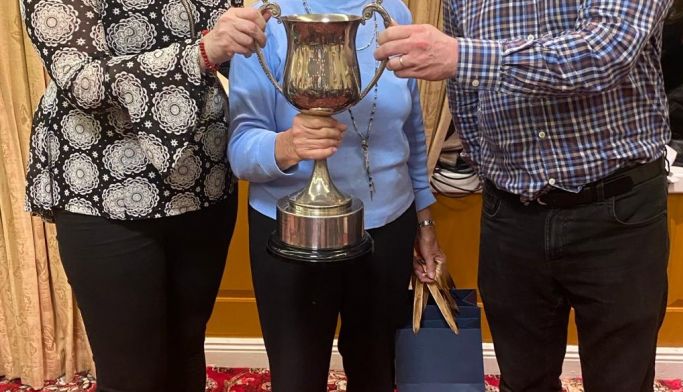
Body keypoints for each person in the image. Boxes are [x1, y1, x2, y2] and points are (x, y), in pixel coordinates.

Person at [375, 0, 672, 391]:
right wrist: (493, 173)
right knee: (522, 379)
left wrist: (462, 55)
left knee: (623, 380)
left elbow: (605, 51)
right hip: (511, 216)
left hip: (616, 211)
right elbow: (463, 94)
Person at [22, 0, 268, 390]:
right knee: (130, 372)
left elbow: (238, 54)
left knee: (186, 351)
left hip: (202, 182)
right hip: (103, 189)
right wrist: (202, 51)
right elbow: (80, 79)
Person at [227, 1, 444, 391]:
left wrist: (424, 220)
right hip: (292, 234)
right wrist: (289, 145)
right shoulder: (266, 19)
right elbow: (241, 150)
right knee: (297, 379)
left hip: (389, 227)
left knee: (377, 372)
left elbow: (411, 128)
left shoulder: (393, 13)